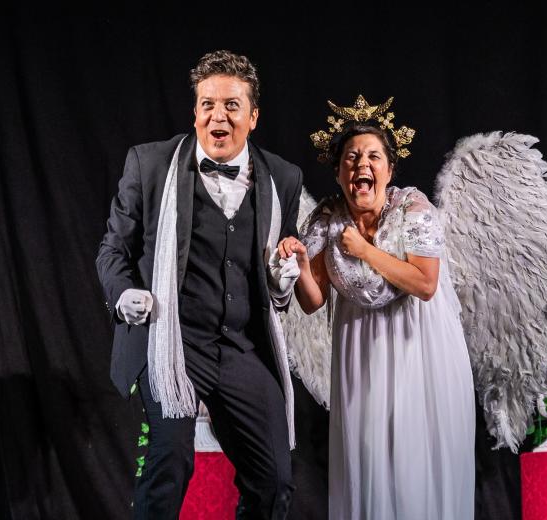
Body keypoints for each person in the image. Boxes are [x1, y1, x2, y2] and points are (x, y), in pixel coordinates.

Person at [97, 50, 303, 520]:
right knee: (170, 461)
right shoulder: (150, 164)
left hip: (240, 345)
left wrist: (282, 276)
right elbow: (113, 250)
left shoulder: (283, 178)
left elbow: (277, 274)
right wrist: (123, 293)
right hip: (170, 340)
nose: (218, 116)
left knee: (274, 480)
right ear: (195, 111)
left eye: (231, 105)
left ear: (253, 116)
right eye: (207, 104)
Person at [278, 105, 476, 519]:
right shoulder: (326, 220)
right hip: (362, 352)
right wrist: (300, 265)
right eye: (351, 158)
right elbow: (313, 302)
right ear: (339, 173)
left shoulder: (413, 210)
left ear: (389, 170)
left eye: (372, 156)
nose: (361, 165)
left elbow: (425, 284)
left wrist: (365, 251)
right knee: (368, 457)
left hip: (418, 347)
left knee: (413, 456)